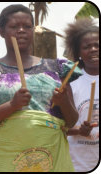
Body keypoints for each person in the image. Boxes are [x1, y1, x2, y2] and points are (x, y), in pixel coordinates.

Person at [0, 4, 81, 172]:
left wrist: (64, 102)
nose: (21, 30)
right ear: (1, 32)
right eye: (14, 26)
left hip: (50, 158)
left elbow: (71, 121)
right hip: (6, 159)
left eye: (27, 26)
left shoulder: (57, 68)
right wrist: (11, 106)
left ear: (33, 30)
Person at [65, 18, 99, 172]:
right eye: (87, 46)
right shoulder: (71, 83)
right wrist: (79, 130)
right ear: (78, 53)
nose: (93, 49)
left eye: (97, 45)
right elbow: (60, 126)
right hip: (78, 164)